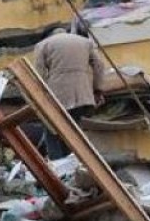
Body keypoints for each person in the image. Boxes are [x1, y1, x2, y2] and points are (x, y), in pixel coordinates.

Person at [33, 26, 108, 159]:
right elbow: (99, 66)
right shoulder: (85, 42)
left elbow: (39, 74)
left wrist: (40, 96)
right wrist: (98, 90)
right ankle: (76, 161)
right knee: (75, 130)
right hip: (83, 94)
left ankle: (59, 165)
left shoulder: (43, 45)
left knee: (52, 130)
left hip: (57, 95)